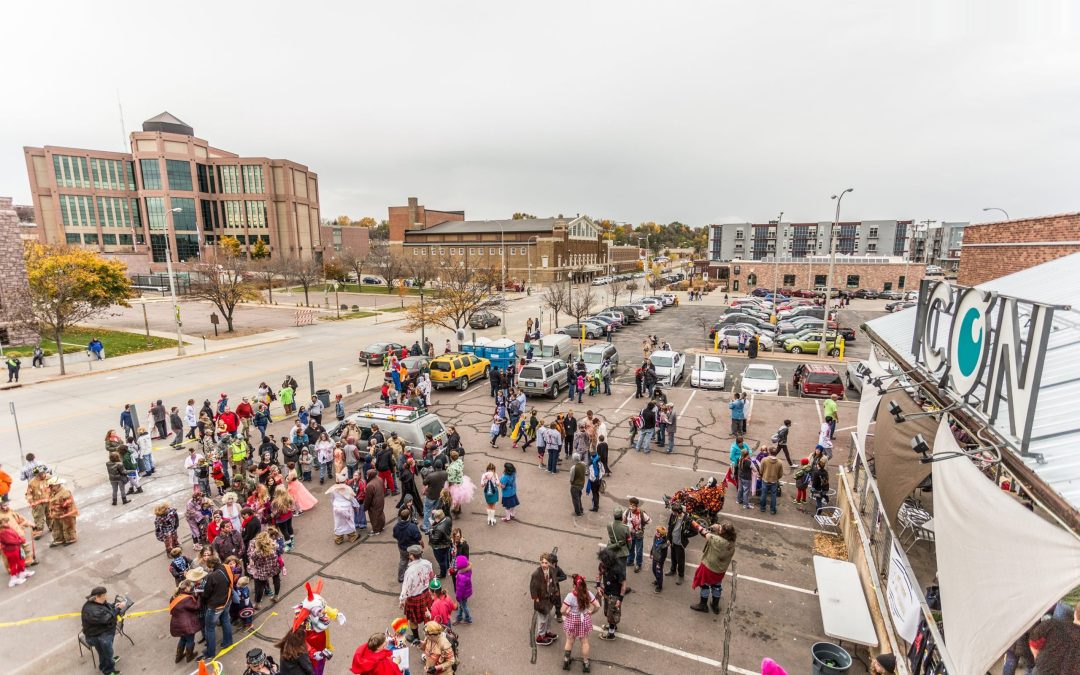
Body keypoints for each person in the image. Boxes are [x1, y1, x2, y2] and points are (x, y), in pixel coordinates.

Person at [689, 521, 736, 614]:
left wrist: (693, 522)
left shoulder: (716, 540)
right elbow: (722, 532)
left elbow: (702, 531)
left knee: (704, 585)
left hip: (709, 568)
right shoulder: (731, 542)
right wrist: (718, 527)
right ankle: (715, 606)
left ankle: (703, 605)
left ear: (723, 532)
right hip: (720, 570)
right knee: (716, 586)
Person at [561, 574, 600, 672]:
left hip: (572, 619)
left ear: (574, 586)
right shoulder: (588, 594)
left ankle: (566, 662)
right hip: (584, 619)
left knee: (569, 641)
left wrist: (567, 613)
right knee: (584, 642)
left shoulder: (570, 596)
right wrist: (592, 612)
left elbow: (562, 610)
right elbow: (598, 606)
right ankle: (586, 664)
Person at [81, 586, 122, 675]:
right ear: (98, 596)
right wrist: (118, 609)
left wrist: (114, 606)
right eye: (104, 596)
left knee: (104, 653)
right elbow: (107, 618)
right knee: (106, 653)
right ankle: (109, 671)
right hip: (98, 637)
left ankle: (106, 663)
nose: (106, 597)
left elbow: (106, 607)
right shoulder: (93, 611)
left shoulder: (98, 602)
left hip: (102, 633)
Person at [400, 545, 435, 645]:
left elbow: (405, 588)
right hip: (426, 594)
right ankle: (430, 640)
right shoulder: (427, 563)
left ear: (412, 556)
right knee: (427, 618)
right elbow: (431, 576)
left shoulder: (410, 571)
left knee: (413, 620)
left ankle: (416, 638)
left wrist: (402, 601)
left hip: (414, 598)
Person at [530, 552, 561, 647]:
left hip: (550, 599)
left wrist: (556, 592)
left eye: (546, 563)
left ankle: (547, 632)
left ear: (549, 563)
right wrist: (536, 599)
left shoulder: (552, 570)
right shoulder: (536, 574)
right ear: (540, 562)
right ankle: (540, 637)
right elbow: (533, 588)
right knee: (542, 619)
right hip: (541, 601)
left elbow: (554, 582)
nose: (544, 565)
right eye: (542, 562)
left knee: (549, 616)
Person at [596, 548, 626, 640]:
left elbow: (624, 585)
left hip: (615, 595)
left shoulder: (618, 569)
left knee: (612, 614)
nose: (601, 563)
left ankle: (611, 634)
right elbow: (599, 574)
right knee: (607, 612)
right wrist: (598, 586)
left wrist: (620, 600)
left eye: (603, 561)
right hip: (606, 593)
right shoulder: (603, 565)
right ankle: (612, 625)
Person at [169, 580, 201, 663]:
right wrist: (199, 597)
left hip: (177, 623)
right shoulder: (186, 599)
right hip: (186, 624)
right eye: (191, 587)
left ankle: (178, 657)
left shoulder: (175, 597)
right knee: (190, 640)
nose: (192, 588)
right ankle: (189, 656)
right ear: (186, 588)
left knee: (183, 639)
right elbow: (196, 607)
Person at [623, 497, 652, 573]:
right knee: (630, 548)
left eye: (633, 506)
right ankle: (630, 561)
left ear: (636, 506)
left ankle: (638, 564)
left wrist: (642, 525)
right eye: (630, 505)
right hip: (629, 534)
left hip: (638, 535)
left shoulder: (641, 513)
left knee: (639, 551)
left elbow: (649, 521)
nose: (631, 507)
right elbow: (624, 521)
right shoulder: (627, 512)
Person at [47, 477, 78, 546]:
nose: (50, 487)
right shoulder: (53, 492)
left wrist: (62, 512)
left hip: (66, 515)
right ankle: (59, 539)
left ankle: (70, 539)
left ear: (57, 485)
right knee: (56, 528)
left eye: (52, 486)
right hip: (57, 514)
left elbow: (68, 505)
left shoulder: (65, 493)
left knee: (67, 528)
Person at [327, 480, 360, 544]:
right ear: (345, 481)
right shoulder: (348, 489)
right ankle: (352, 537)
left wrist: (335, 505)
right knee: (349, 522)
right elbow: (352, 499)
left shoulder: (333, 489)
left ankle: (338, 539)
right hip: (346, 508)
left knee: (338, 523)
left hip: (337, 509)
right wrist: (356, 506)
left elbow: (332, 498)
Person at [666, 504, 692, 585]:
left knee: (680, 561)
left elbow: (695, 531)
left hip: (680, 544)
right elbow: (670, 527)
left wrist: (685, 534)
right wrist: (668, 539)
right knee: (673, 557)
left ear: (679, 512)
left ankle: (681, 576)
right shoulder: (673, 515)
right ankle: (673, 570)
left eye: (674, 512)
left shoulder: (687, 519)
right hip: (673, 542)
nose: (673, 513)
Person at [606, 507, 631, 577]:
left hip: (612, 548)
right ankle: (622, 583)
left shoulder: (609, 525)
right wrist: (628, 548)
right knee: (622, 569)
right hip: (622, 551)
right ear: (622, 517)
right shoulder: (625, 527)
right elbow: (629, 541)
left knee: (613, 566)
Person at [758, 449, 785, 515]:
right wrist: (776, 478)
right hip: (774, 481)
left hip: (765, 480)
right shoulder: (779, 462)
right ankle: (772, 510)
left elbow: (761, 470)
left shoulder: (764, 460)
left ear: (769, 452)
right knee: (773, 495)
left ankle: (762, 508)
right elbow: (780, 474)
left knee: (764, 494)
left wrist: (763, 475)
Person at [364, 469, 387, 535]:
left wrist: (365, 507)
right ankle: (381, 526)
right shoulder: (379, 479)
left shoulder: (370, 485)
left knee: (374, 516)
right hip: (381, 500)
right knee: (380, 513)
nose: (366, 476)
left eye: (367, 474)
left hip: (374, 503)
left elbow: (368, 498)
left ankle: (376, 530)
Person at [650, 526, 669, 593]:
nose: (657, 532)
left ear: (662, 534)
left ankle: (659, 586)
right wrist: (651, 553)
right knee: (654, 570)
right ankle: (658, 580)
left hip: (659, 560)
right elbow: (654, 545)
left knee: (658, 573)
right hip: (655, 557)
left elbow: (664, 555)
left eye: (658, 532)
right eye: (657, 531)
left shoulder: (664, 543)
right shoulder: (656, 537)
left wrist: (660, 563)